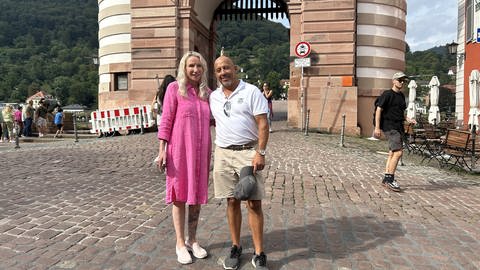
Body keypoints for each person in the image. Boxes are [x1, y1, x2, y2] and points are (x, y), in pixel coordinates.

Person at [210, 55, 270, 270]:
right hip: (223, 153)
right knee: (231, 201)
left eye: (226, 68)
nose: (223, 73)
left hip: (247, 152)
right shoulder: (213, 96)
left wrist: (260, 152)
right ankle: (236, 246)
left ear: (235, 68)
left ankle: (259, 252)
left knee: (253, 202)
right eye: (218, 70)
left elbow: (263, 124)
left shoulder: (251, 91)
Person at [156, 51, 211, 265]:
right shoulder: (174, 89)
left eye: (198, 66)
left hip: (201, 151)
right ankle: (180, 243)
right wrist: (162, 150)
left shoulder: (207, 93)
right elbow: (167, 120)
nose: (195, 70)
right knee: (179, 196)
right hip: (179, 151)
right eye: (191, 66)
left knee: (196, 196)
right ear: (184, 68)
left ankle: (193, 240)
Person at [373, 72, 416, 192]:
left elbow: (400, 113)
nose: (402, 82)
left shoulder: (402, 96)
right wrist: (377, 127)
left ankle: (386, 178)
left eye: (403, 80)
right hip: (389, 126)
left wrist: (408, 119)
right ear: (393, 81)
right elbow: (378, 110)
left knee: (392, 153)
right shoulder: (387, 94)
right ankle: (390, 180)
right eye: (399, 80)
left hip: (398, 126)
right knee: (398, 153)